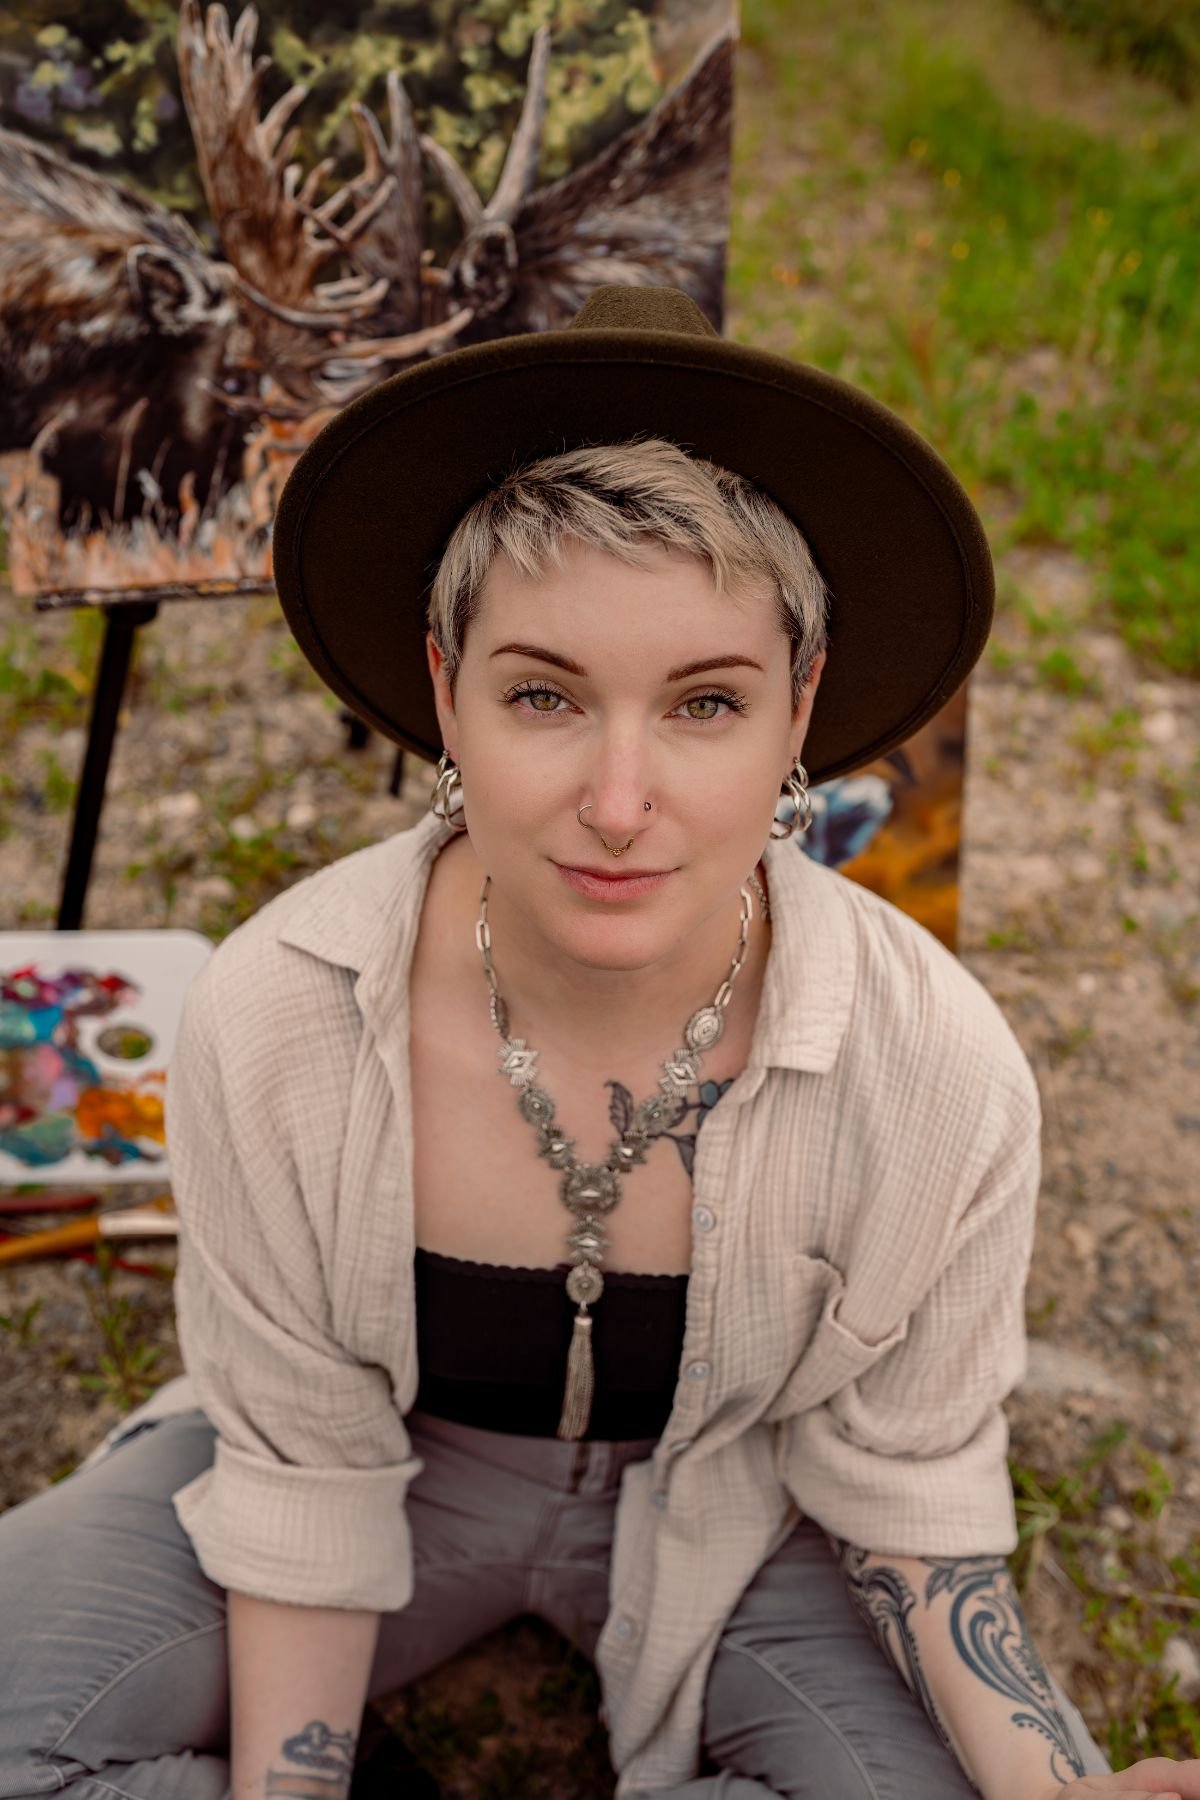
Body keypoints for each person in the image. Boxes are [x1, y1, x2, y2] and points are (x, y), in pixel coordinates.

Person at [1, 283, 1195, 1800]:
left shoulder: (936, 1069)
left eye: (704, 704)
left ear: (798, 716)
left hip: (762, 1516)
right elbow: (300, 1476)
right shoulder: (283, 1012)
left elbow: (909, 1499)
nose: (619, 803)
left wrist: (1048, 1788)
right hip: (380, 1469)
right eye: (546, 694)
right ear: (446, 692)